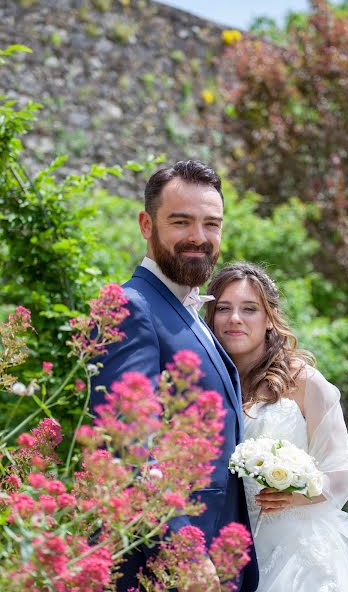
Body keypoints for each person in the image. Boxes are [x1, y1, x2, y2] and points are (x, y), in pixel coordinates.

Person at [90, 161, 259, 592]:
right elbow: (128, 446)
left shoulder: (191, 312)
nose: (199, 238)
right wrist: (183, 552)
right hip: (169, 568)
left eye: (211, 224)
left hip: (216, 557)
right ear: (147, 224)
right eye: (181, 222)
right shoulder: (133, 308)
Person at [205, 262, 348, 592]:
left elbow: (344, 466)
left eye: (249, 309)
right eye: (224, 308)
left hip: (298, 552)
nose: (234, 318)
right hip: (227, 548)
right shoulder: (205, 381)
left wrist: (298, 492)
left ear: (268, 319)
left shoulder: (303, 381)